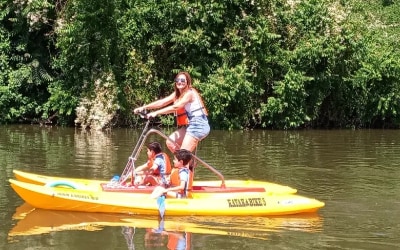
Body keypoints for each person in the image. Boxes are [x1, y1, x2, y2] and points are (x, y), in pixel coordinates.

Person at [134, 71, 210, 153]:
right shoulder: (177, 94)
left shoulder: (189, 93)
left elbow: (176, 107)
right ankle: (186, 163)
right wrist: (144, 107)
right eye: (177, 80)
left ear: (188, 82)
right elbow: (162, 102)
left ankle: (184, 162)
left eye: (183, 80)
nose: (180, 82)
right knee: (171, 142)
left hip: (199, 125)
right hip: (190, 125)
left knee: (183, 155)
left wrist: (156, 113)